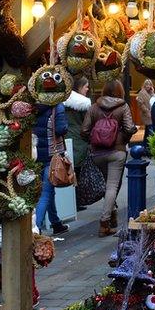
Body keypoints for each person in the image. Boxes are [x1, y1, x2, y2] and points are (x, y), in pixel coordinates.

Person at [82, 79, 137, 236]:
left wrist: (94, 142)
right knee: (112, 186)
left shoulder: (93, 107)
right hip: (117, 152)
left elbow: (84, 130)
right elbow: (128, 128)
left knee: (107, 186)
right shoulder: (123, 106)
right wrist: (122, 139)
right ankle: (104, 222)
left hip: (97, 153)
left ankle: (111, 217)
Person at [33, 98, 68, 235]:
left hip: (35, 153)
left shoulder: (33, 106)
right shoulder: (57, 107)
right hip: (51, 155)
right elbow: (61, 129)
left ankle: (56, 222)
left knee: (48, 189)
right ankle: (35, 229)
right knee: (45, 193)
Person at [64, 76, 91, 211]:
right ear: (80, 87)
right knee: (78, 170)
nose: (87, 89)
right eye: (86, 86)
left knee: (70, 168)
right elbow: (86, 124)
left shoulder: (63, 101)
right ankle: (77, 200)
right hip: (79, 139)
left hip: (67, 137)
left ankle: (72, 201)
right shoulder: (84, 103)